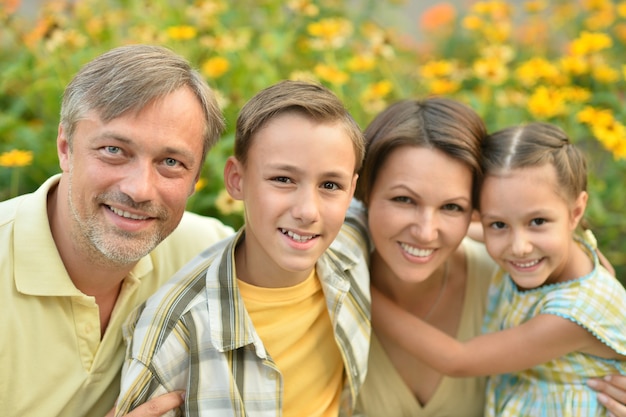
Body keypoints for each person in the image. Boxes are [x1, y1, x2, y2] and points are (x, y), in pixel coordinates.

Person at [0, 44, 235, 417]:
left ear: (195, 179)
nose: (139, 189)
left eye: (171, 162)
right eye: (113, 150)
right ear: (66, 148)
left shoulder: (205, 253)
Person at [114, 80, 371, 417]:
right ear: (236, 180)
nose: (308, 211)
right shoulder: (174, 333)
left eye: (329, 185)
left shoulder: (350, 251)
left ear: (351, 191)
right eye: (283, 179)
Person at [372, 121, 626, 416]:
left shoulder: (576, 311)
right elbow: (478, 230)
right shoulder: (564, 250)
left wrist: (359, 290)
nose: (519, 246)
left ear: (576, 212)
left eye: (537, 222)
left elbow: (458, 360)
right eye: (499, 225)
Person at [352, 97, 499, 416]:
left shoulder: (502, 284)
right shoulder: (319, 282)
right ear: (363, 190)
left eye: (451, 207)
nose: (425, 232)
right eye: (404, 199)